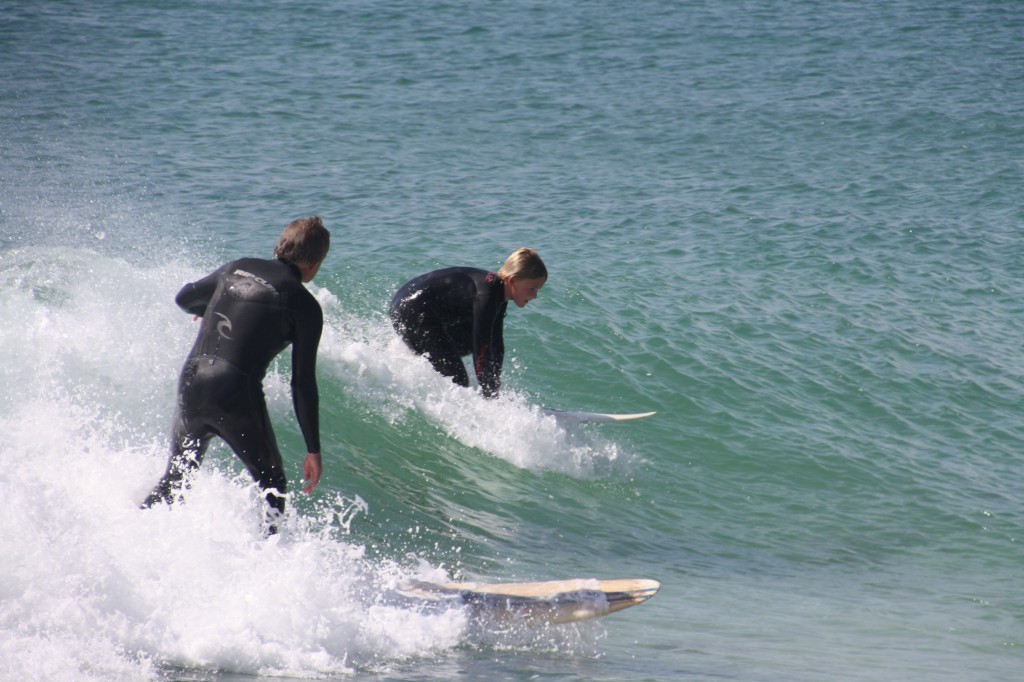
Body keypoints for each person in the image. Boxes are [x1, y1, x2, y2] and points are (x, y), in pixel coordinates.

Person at [141, 216, 331, 528]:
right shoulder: (304, 306)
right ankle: (269, 563)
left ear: (279, 247)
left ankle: (135, 530)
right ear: (315, 263)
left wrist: (203, 309)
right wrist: (313, 449)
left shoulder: (235, 268)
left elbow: (184, 297)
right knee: (273, 485)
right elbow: (302, 383)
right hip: (234, 395)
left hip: (191, 381)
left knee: (176, 479)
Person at [388, 247, 547, 398]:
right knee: (459, 379)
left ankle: (424, 370)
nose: (535, 296)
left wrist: (494, 387)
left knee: (464, 348)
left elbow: (496, 343)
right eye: (532, 288)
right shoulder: (489, 294)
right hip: (411, 311)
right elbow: (482, 348)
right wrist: (489, 394)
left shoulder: (498, 294)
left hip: (415, 310)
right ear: (512, 280)